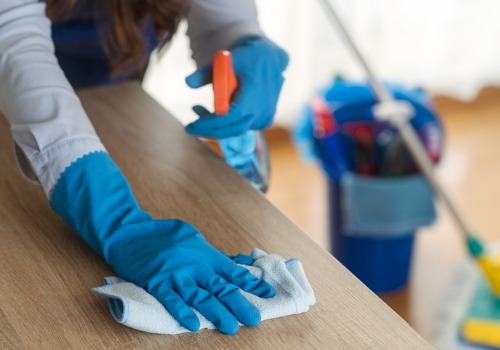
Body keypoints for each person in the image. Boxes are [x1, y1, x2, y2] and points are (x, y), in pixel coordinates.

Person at [0, 0, 289, 335]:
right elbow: (11, 33)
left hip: (113, 108)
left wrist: (240, 39)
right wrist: (117, 217)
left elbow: (219, 21)